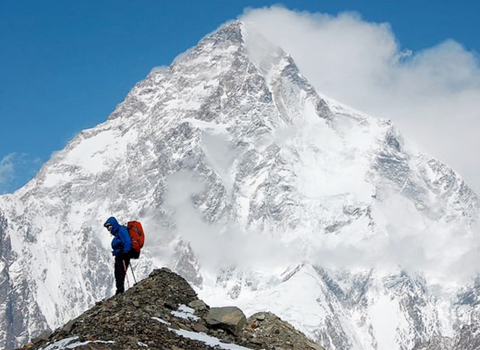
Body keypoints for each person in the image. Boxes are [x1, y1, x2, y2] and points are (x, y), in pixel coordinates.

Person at [104, 216, 132, 295]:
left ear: (113, 224)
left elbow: (127, 241)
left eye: (109, 227)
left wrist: (125, 252)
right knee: (118, 272)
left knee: (119, 272)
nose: (109, 229)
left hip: (122, 254)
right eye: (107, 228)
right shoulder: (118, 232)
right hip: (121, 254)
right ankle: (119, 290)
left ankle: (120, 290)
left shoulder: (121, 230)